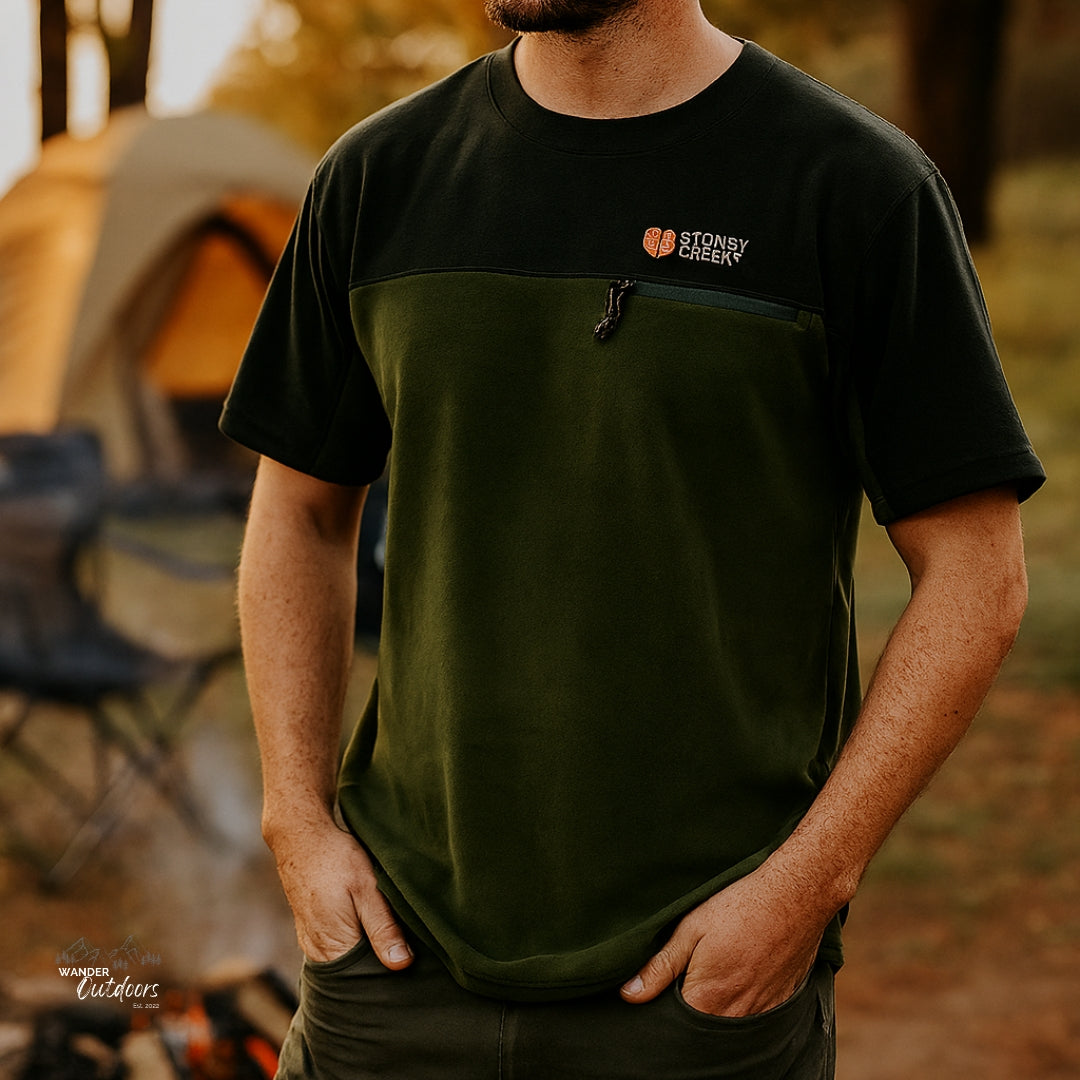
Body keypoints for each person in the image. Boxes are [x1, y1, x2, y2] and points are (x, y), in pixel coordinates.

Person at [220, 0, 1045, 1075]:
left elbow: (978, 574)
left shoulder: (854, 188)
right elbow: (299, 509)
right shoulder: (379, 177)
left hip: (699, 989)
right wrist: (297, 820)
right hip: (390, 968)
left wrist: (805, 888)